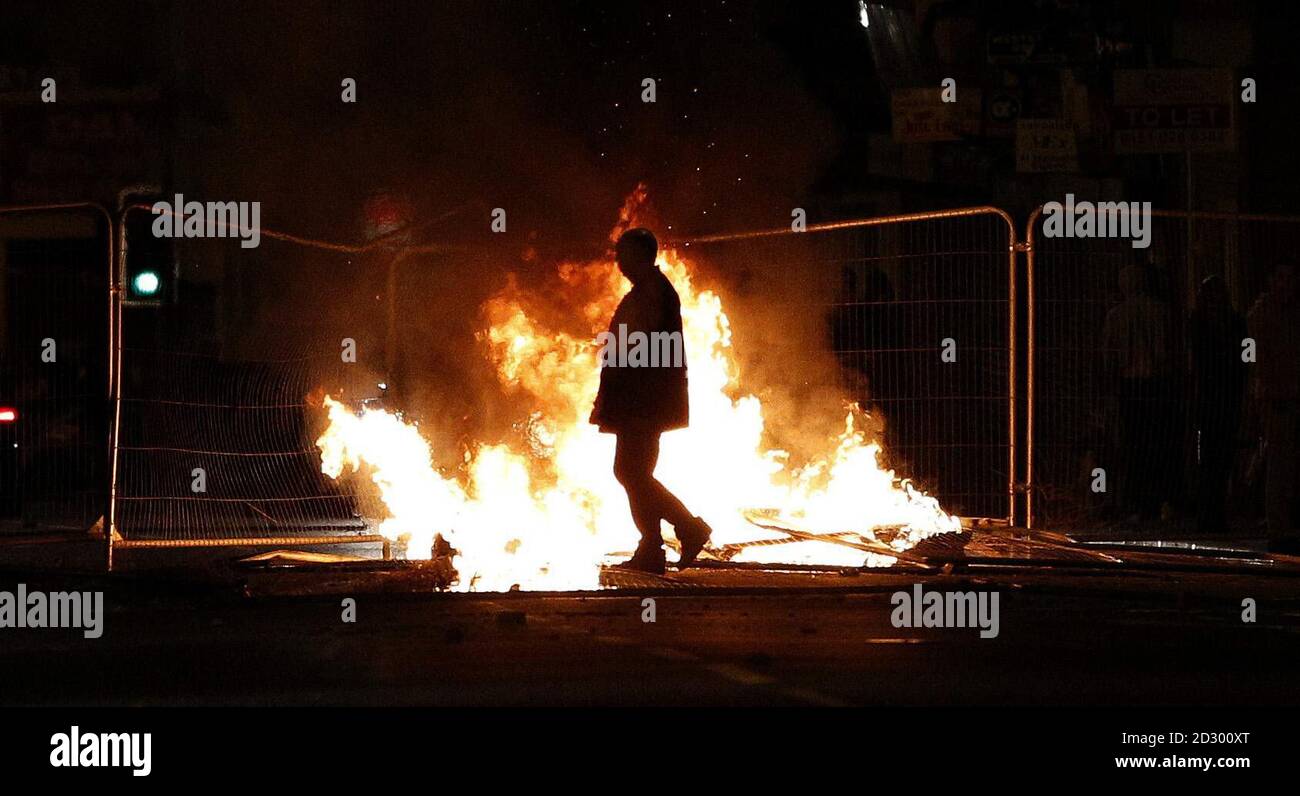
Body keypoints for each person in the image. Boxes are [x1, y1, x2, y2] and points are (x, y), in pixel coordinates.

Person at [590, 228, 712, 574]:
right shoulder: (647, 292)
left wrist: (613, 354)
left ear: (642, 256)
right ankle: (654, 546)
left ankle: (685, 529)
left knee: (632, 472)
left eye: (624, 254)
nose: (618, 262)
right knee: (632, 472)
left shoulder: (653, 293)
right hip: (640, 399)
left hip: (644, 401)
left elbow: (636, 347)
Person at [1247, 262, 1300, 553]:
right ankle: (1277, 524)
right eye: (1283, 278)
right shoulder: (1263, 314)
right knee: (1279, 462)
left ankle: (1282, 522)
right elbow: (1257, 358)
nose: (1287, 285)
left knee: (1285, 461)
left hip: (1288, 393)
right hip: (1276, 394)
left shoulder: (1288, 314)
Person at [1188, 275, 1247, 534]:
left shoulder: (1199, 323)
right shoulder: (1233, 323)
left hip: (1211, 397)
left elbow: (1195, 362)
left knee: (1210, 459)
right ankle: (1215, 512)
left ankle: (1209, 513)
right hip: (1226, 396)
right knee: (1220, 458)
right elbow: (1245, 358)